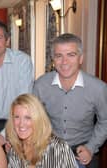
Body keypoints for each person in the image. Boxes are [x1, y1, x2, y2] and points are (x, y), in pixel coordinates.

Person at [33, 33, 107, 168]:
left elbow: (105, 121)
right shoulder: (40, 85)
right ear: (53, 60)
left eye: (71, 55)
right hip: (50, 152)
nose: (64, 62)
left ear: (81, 59)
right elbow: (32, 118)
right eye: (59, 56)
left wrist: (91, 147)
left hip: (84, 152)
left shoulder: (99, 88)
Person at [6, 94, 78, 168]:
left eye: (28, 117)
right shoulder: (15, 151)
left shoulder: (59, 148)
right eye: (17, 117)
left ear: (38, 119)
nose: (21, 124)